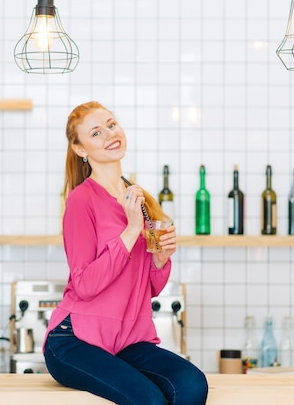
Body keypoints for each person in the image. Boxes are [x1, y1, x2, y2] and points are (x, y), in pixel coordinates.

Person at [43, 101, 208, 405]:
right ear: (81, 150)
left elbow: (149, 288)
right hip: (74, 341)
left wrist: (160, 259)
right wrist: (131, 232)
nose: (109, 134)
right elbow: (85, 285)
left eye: (111, 124)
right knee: (149, 400)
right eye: (95, 133)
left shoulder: (138, 197)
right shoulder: (82, 201)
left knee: (192, 384)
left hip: (127, 340)